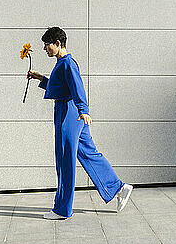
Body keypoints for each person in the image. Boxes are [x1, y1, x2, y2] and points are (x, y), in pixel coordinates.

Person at [27, 26, 133, 220]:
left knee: (64, 161)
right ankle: (118, 187)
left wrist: (84, 110)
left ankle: (62, 209)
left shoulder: (67, 63)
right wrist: (40, 78)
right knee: (88, 154)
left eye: (47, 45)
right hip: (71, 113)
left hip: (68, 114)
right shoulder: (62, 62)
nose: (45, 49)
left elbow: (77, 86)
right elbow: (61, 86)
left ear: (57, 43)